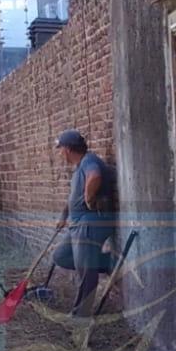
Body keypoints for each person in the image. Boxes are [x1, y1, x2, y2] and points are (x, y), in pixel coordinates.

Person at [52, 129, 115, 317]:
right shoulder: (79, 167)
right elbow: (73, 197)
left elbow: (95, 176)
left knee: (85, 272)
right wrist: (64, 216)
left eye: (60, 149)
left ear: (68, 149)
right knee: (61, 256)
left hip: (90, 223)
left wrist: (89, 197)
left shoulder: (89, 161)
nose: (60, 153)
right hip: (77, 224)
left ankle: (81, 316)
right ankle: (109, 262)